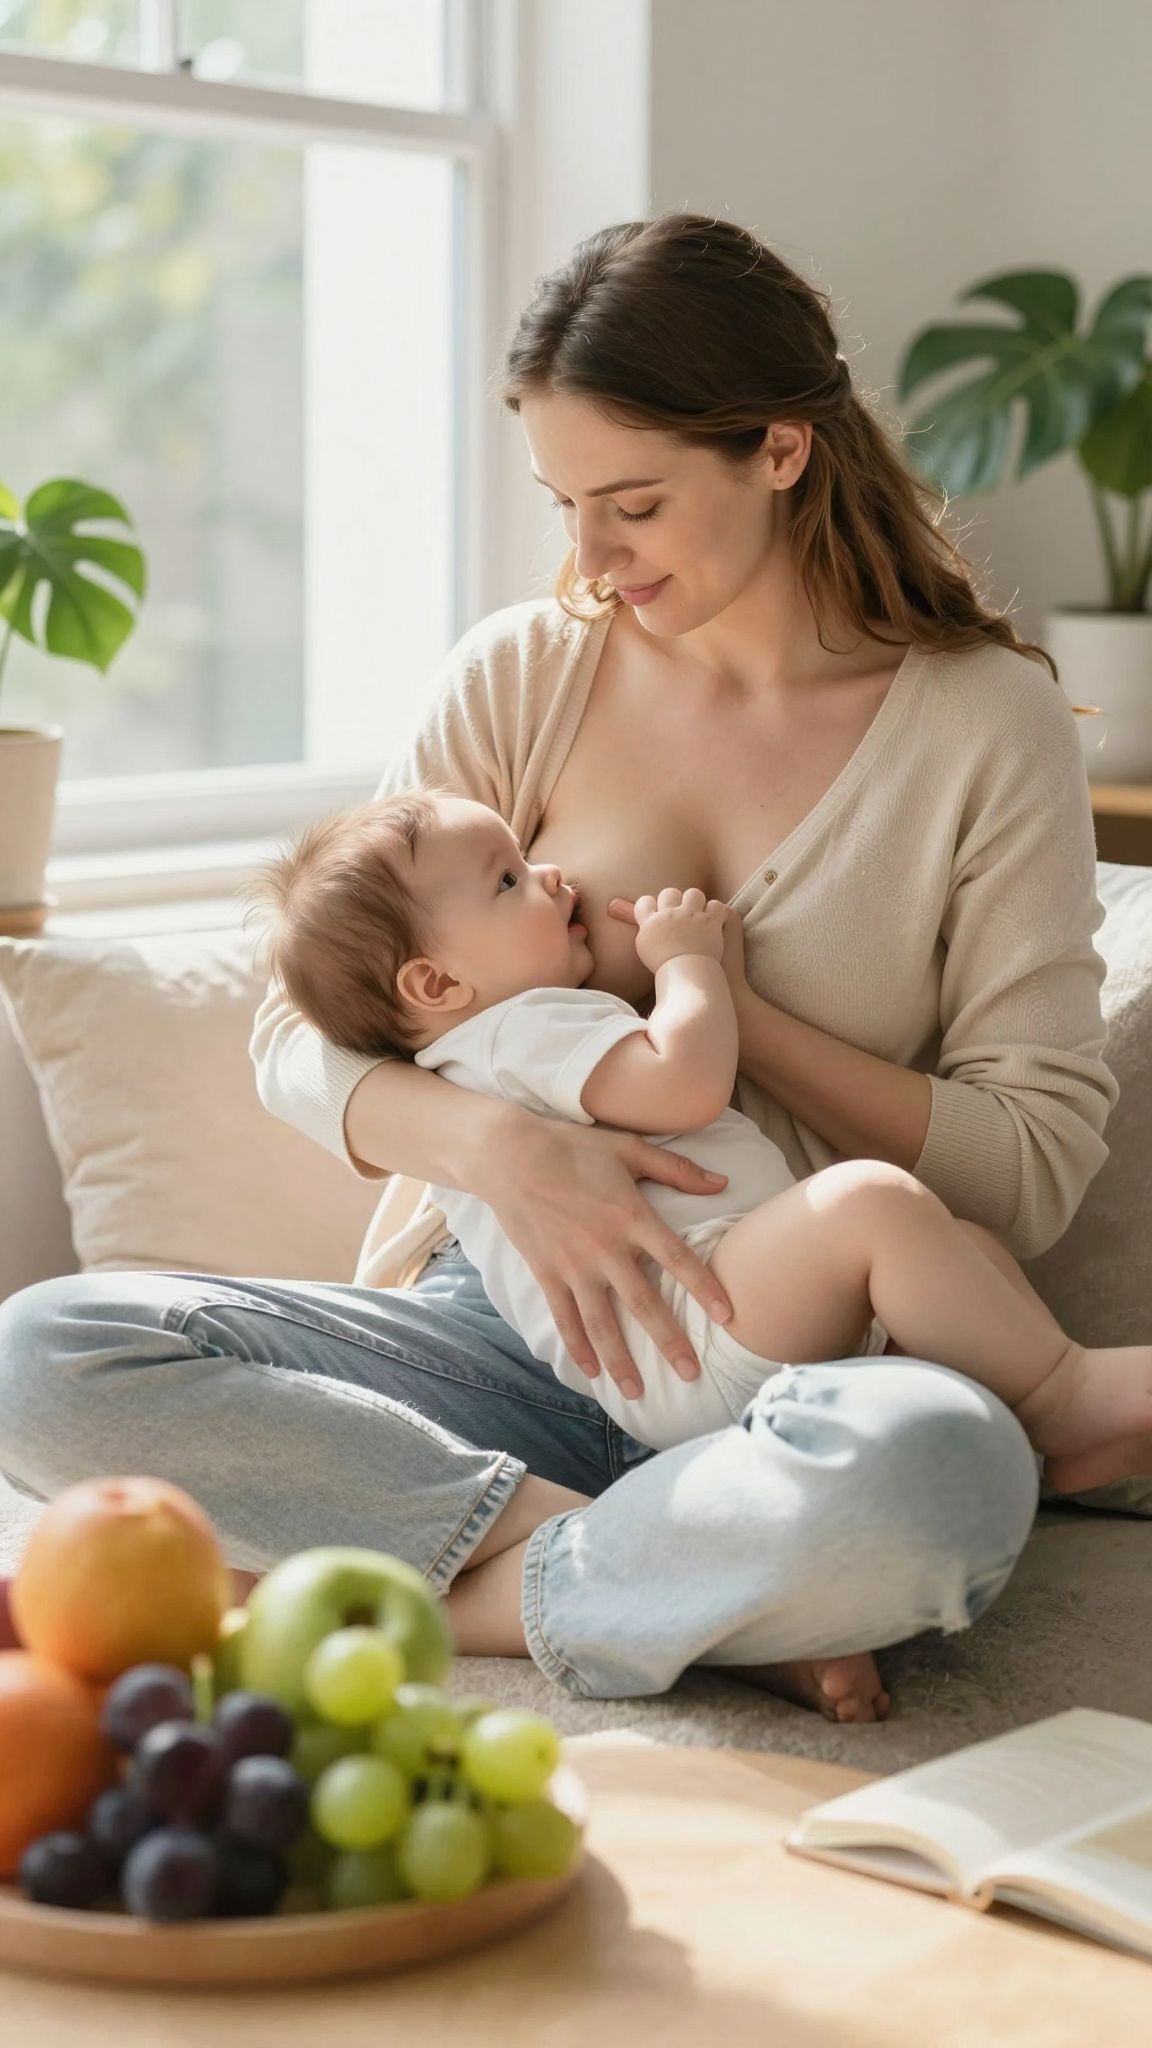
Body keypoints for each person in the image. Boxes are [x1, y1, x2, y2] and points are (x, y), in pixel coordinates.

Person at [0, 212, 1118, 1729]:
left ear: (781, 451)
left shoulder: (987, 730)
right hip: (498, 1333)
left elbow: (1029, 1163)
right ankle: (667, 1589)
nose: (589, 560)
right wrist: (508, 1148)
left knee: (949, 1476)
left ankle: (511, 1580)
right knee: (43, 1351)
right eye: (566, 504)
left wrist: (719, 1002)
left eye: (635, 505)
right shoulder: (524, 672)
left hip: (784, 1358)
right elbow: (297, 1029)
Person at [245, 785, 1144, 1506]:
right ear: (437, 981)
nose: (553, 874)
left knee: (959, 1250)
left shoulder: (486, 1041)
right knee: (872, 1204)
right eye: (510, 881)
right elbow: (683, 1082)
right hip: (698, 1327)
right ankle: (1061, 1395)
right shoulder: (518, 1034)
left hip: (694, 1330)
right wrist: (687, 965)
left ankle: (1023, 1439)